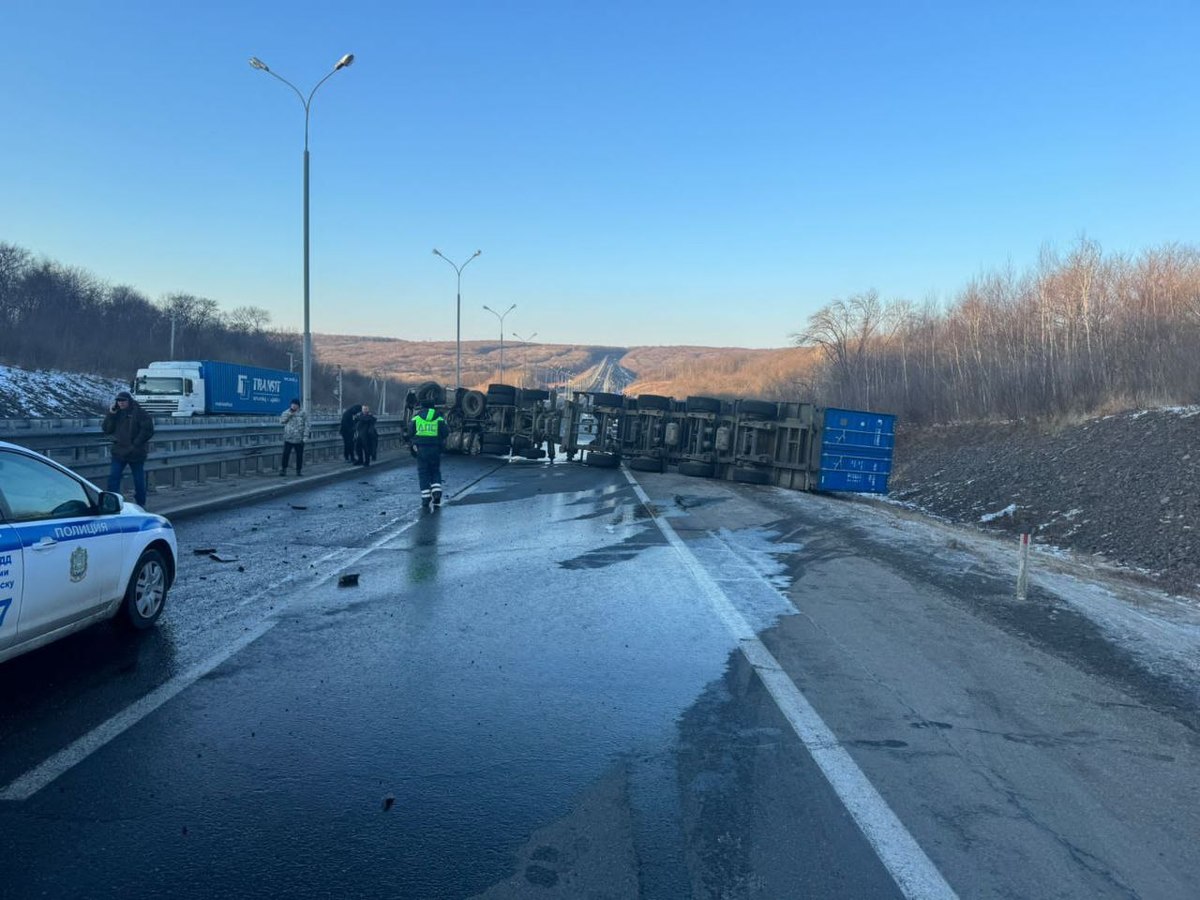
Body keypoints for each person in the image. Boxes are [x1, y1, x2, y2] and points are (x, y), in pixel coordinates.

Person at [103, 390, 155, 506]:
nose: (120, 403)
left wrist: (135, 444)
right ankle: (113, 504)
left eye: (123, 400)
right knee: (113, 478)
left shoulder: (140, 413)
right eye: (118, 401)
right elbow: (107, 429)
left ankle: (141, 503)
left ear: (129, 401)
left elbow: (148, 430)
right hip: (119, 452)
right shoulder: (116, 414)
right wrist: (111, 414)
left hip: (135, 453)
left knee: (138, 480)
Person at [410, 398, 447, 509]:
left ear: (422, 406)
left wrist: (415, 442)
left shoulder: (416, 418)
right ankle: (436, 493)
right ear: (433, 406)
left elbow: (410, 432)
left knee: (423, 472)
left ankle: (426, 498)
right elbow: (446, 432)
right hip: (435, 448)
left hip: (421, 449)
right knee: (435, 470)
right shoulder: (439, 418)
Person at [280, 398, 307, 476]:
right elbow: (281, 421)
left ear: (298, 406)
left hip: (299, 439)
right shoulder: (286, 412)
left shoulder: (303, 414)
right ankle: (283, 469)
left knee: (299, 455)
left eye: (295, 404)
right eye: (292, 404)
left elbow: (307, 425)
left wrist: (305, 438)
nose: (294, 406)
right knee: (286, 454)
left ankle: (298, 470)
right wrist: (289, 415)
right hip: (288, 438)